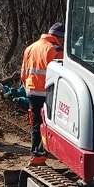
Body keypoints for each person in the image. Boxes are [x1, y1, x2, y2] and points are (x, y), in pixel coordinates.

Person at [21, 23, 64, 156]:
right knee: (50, 124)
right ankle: (45, 150)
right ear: (60, 37)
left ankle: (35, 149)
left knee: (36, 122)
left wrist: (26, 87)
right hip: (48, 92)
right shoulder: (56, 50)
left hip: (31, 91)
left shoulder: (30, 48)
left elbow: (23, 72)